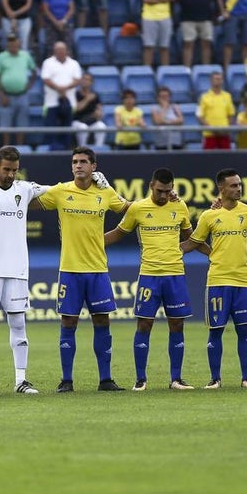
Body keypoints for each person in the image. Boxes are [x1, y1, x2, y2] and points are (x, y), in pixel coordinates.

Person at [37, 147, 129, 392]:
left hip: (98, 270)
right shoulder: (60, 191)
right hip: (69, 269)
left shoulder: (105, 193)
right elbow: (29, 201)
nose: (78, 166)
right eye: (75, 162)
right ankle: (66, 380)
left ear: (93, 166)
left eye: (83, 162)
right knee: (68, 322)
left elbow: (130, 209)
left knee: (102, 321)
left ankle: (106, 379)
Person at [104, 168, 196, 391]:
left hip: (175, 274)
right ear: (151, 186)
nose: (164, 196)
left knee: (177, 324)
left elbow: (192, 238)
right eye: (159, 191)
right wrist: (91, 242)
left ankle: (176, 379)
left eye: (167, 191)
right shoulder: (138, 208)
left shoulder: (180, 206)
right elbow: (118, 232)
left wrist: (181, 250)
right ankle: (141, 380)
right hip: (149, 276)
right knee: (144, 324)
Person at [184, 168, 247, 389]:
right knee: (216, 331)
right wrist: (171, 250)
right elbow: (195, 241)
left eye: (239, 184)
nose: (238, 188)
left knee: (245, 331)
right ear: (221, 188)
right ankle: (215, 379)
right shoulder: (209, 215)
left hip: (242, 281)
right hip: (218, 281)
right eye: (233, 185)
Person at [0, 33, 35, 146]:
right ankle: (6, 149)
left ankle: (19, 148)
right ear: (8, 45)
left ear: (19, 43)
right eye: (10, 44)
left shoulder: (25, 56)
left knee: (21, 125)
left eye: (15, 43)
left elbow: (34, 71)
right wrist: (1, 95)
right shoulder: (1, 57)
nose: (13, 46)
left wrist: (29, 85)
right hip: (6, 95)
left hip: (22, 95)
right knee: (5, 126)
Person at [40, 41, 82, 149]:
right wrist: (58, 88)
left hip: (69, 102)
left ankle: (66, 151)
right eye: (58, 50)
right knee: (51, 130)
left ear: (66, 51)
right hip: (51, 103)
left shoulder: (74, 63)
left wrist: (65, 88)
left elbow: (77, 80)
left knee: (67, 130)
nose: (60, 52)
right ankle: (50, 154)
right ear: (54, 51)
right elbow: (45, 79)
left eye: (62, 50)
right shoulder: (47, 63)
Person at [197, 71, 236, 149]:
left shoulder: (227, 96)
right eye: (216, 79)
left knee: (226, 158)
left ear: (222, 81)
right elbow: (200, 116)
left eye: (220, 79)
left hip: (224, 133)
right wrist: (210, 128)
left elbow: (231, 114)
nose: (218, 81)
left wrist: (226, 128)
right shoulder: (204, 97)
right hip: (209, 134)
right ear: (211, 80)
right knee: (208, 158)